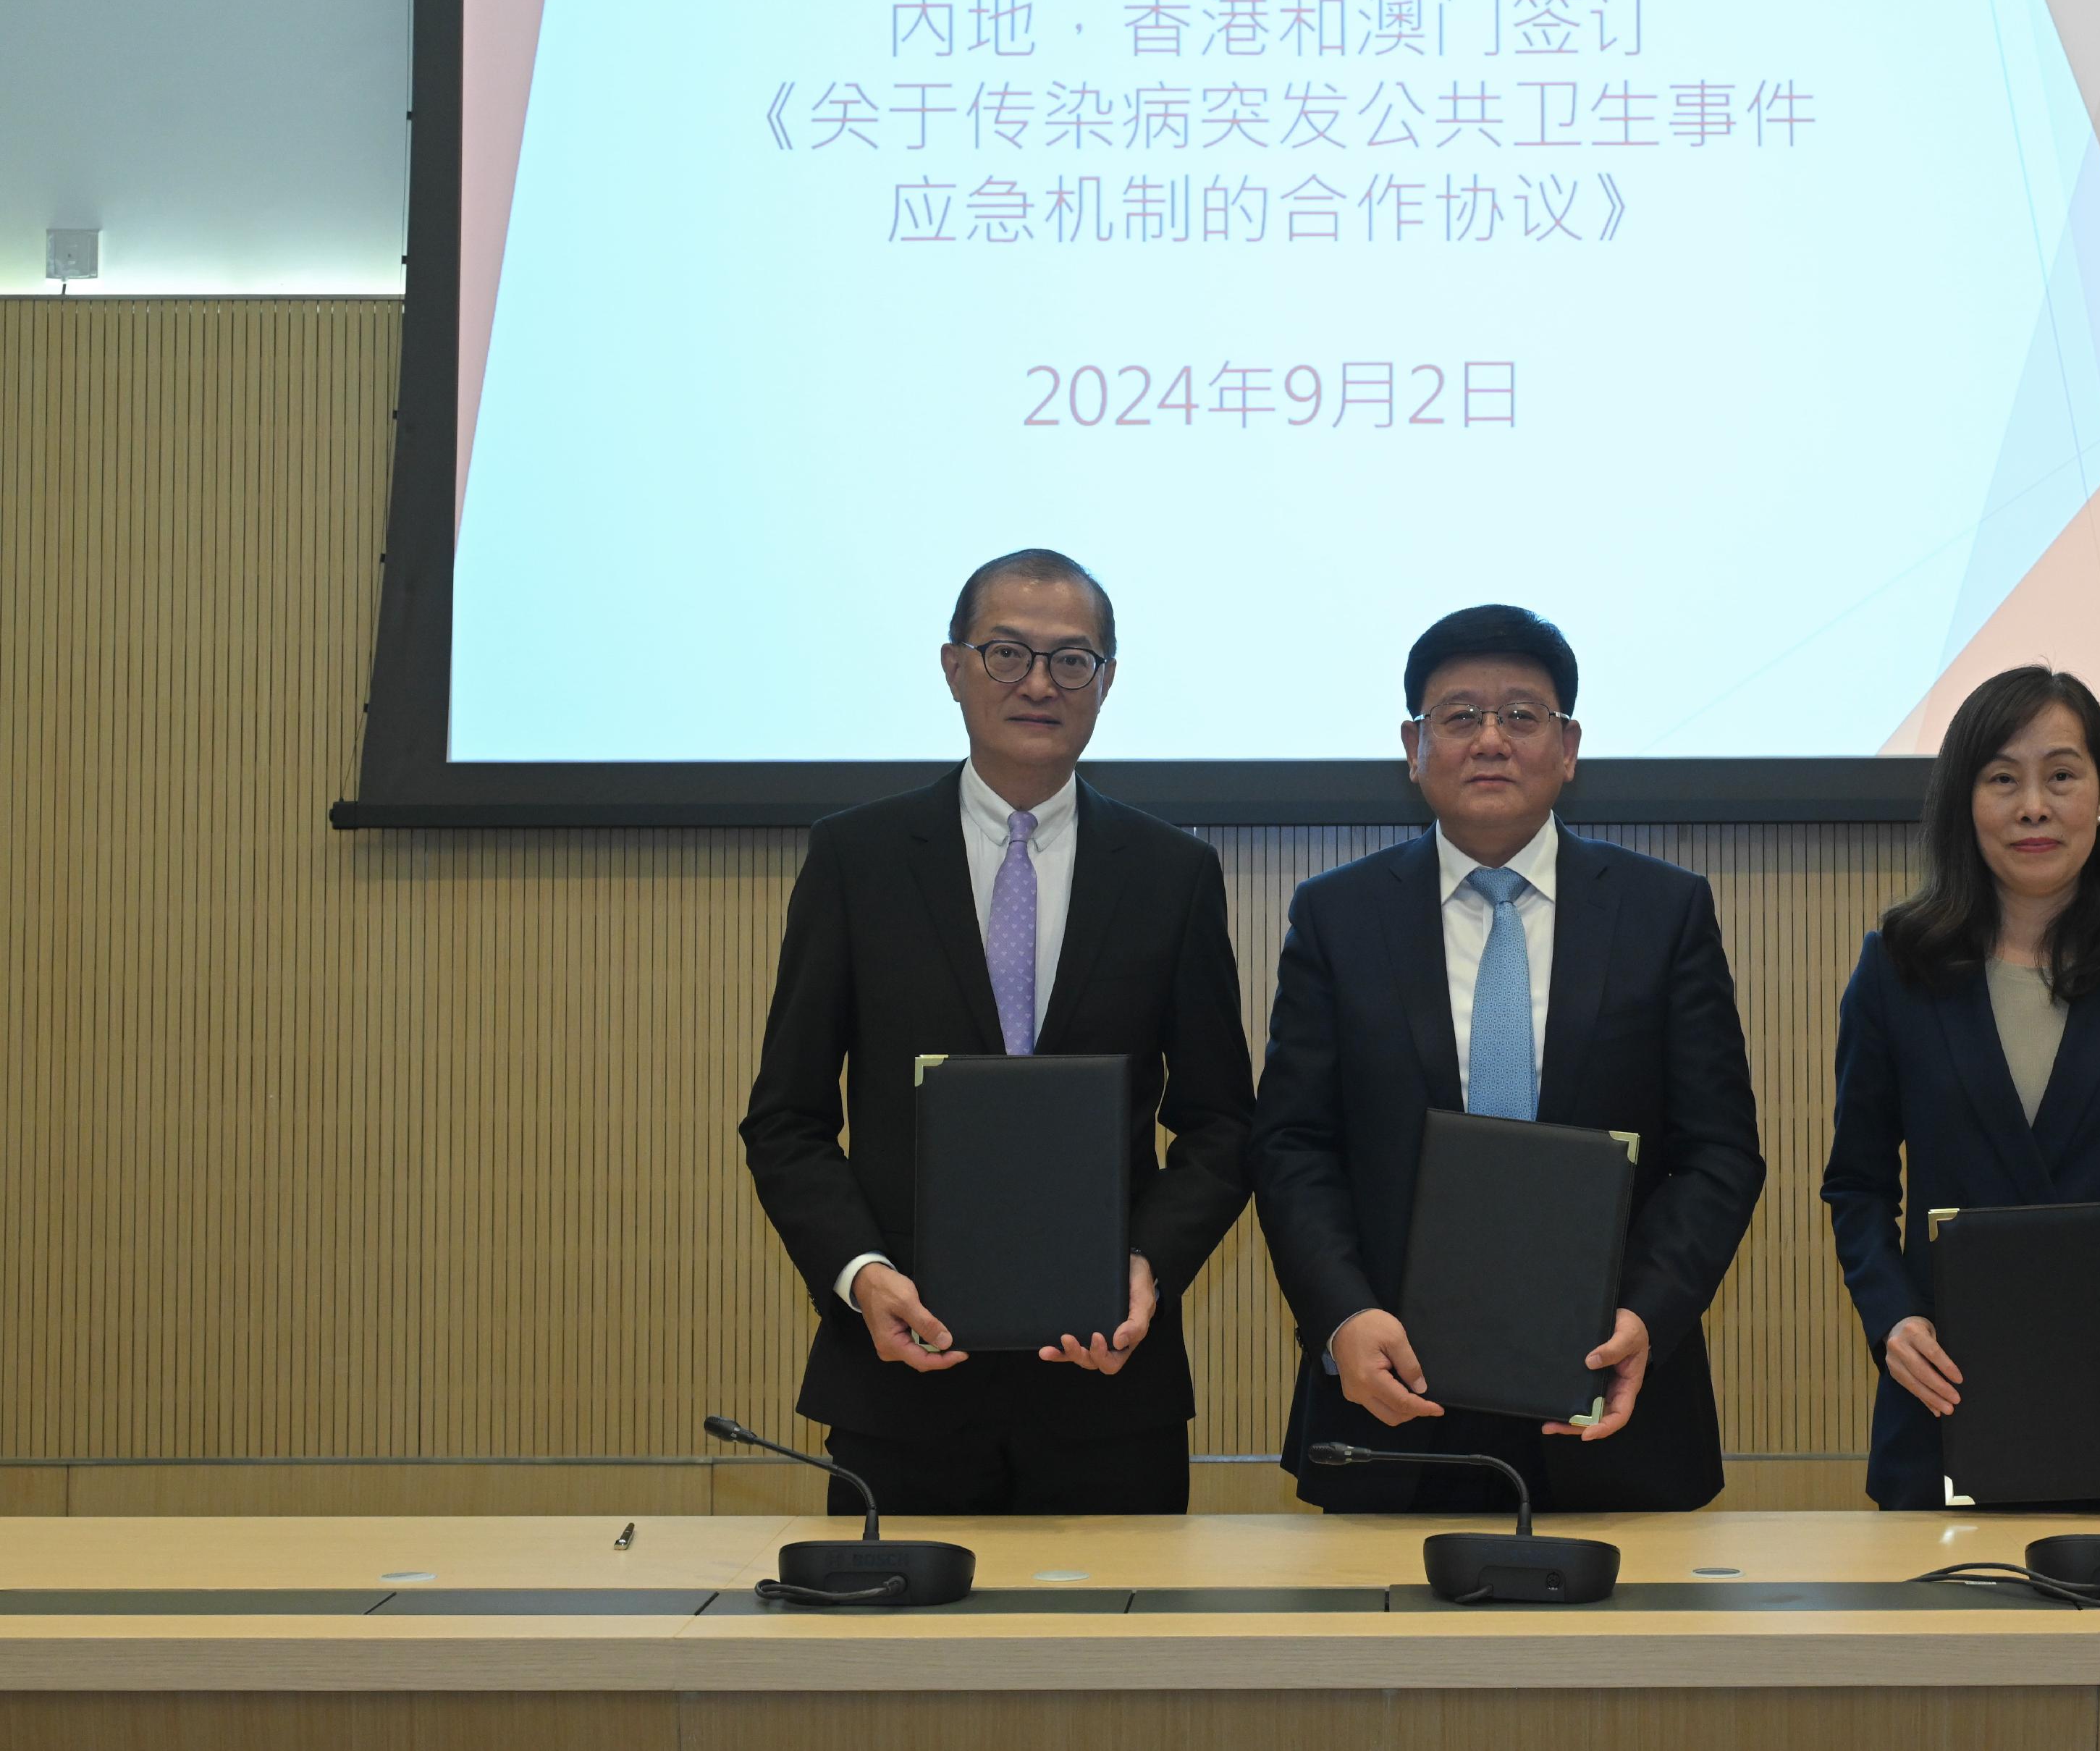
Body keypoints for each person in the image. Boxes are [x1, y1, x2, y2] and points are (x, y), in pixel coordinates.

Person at [738, 548, 1256, 1515]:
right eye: (1007, 652)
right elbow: (787, 1119)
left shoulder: (1171, 872)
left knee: (1114, 1663)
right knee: (892, 1665)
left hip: (1110, 1388)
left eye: (1071, 660)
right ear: (953, 667)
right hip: (903, 1381)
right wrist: (861, 1275)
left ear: (1107, 680)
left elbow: (1223, 1123)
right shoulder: (859, 857)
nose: (1037, 683)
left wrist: (1144, 1266)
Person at [1252, 604, 1765, 1514]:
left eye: (1521, 716)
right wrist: (1343, 1318)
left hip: (1611, 1403)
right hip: (1390, 1410)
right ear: (1414, 747)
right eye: (1459, 717)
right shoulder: (1337, 917)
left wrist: (1644, 1317)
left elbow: (1719, 1153)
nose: (1490, 740)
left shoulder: (1663, 912)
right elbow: (1293, 1147)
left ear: (1567, 746)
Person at [1821, 665, 2100, 1513]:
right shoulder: (1894, 971)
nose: (2034, 806)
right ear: (1964, 803)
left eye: (2061, 776)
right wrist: (1893, 1319)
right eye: (2002, 779)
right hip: (1944, 1409)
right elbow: (1857, 1188)